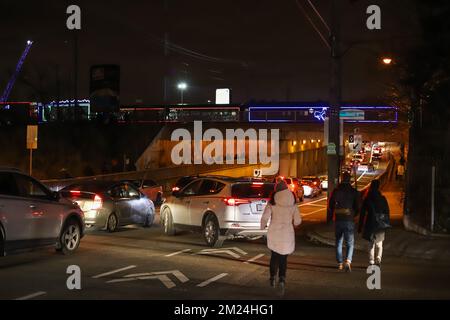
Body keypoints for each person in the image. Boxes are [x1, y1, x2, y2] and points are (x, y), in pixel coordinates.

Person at [261, 180, 301, 294]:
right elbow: (298, 220)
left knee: (274, 256)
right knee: (283, 258)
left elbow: (265, 217)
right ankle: (282, 279)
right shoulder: (292, 202)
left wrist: (262, 226)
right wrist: (294, 223)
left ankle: (272, 277)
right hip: (287, 233)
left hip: (274, 232)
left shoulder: (273, 201)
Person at [327, 172, 360, 272]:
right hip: (349, 219)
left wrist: (333, 213)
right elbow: (358, 206)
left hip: (338, 219)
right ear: (350, 180)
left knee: (339, 241)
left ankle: (340, 263)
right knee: (350, 242)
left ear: (342, 179)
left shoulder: (336, 191)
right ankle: (348, 261)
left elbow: (331, 204)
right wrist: (353, 215)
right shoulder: (353, 191)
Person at [358, 179, 391, 266]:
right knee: (380, 244)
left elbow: (362, 213)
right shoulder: (382, 198)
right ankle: (378, 258)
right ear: (378, 187)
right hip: (380, 223)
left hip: (370, 222)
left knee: (371, 243)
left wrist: (360, 226)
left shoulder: (367, 199)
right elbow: (387, 211)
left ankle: (371, 261)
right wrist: (387, 222)